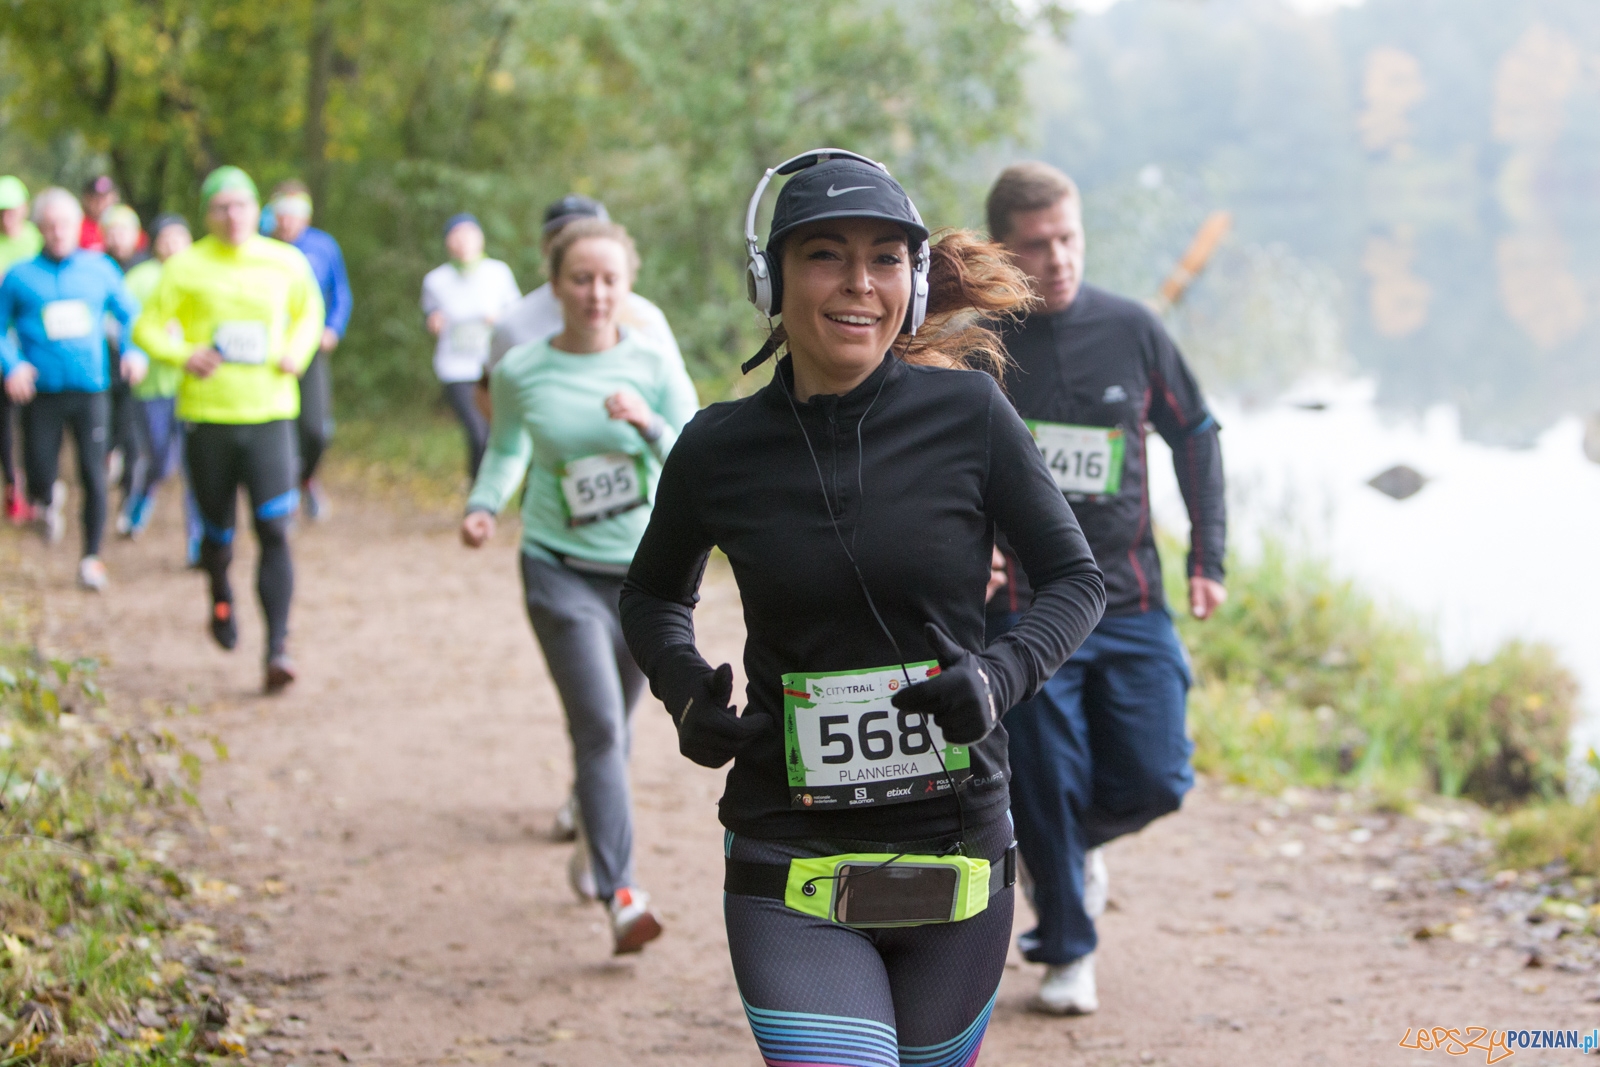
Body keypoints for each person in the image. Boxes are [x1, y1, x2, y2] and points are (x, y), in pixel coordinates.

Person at [619, 151, 1105, 1065]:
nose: (859, 284)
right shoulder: (717, 446)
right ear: (772, 278)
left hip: (955, 854)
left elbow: (1076, 582)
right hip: (787, 853)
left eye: (886, 258)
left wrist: (999, 677)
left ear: (913, 285)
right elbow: (650, 592)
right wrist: (686, 688)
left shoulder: (972, 415)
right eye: (825, 256)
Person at [982, 161, 1227, 1016]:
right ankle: (1065, 948)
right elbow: (936, 465)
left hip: (1129, 600)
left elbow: (1195, 433)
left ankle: (1061, 846)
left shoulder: (1132, 328)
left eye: (1069, 239)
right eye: (1037, 246)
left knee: (1161, 776)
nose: (1058, 258)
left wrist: (1209, 554)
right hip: (1029, 614)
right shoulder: (981, 347)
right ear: (1004, 253)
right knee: (1044, 776)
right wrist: (970, 547)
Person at [463, 217, 697, 950]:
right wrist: (481, 504)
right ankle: (623, 892)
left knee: (615, 730)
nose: (596, 294)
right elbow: (506, 452)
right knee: (599, 726)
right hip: (557, 568)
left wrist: (648, 421)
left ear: (627, 286)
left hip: (646, 577)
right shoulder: (522, 368)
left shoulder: (653, 360)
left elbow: (693, 454)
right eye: (580, 279)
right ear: (555, 284)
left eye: (609, 280)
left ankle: (595, 837)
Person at [132, 166, 325, 693]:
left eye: (242, 205)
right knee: (218, 534)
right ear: (207, 214)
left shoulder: (285, 261)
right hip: (208, 418)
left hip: (270, 415)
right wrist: (182, 352)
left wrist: (297, 352)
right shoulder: (185, 266)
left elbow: (311, 312)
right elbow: (145, 326)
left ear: (255, 209)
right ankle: (219, 594)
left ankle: (278, 647)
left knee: (275, 530)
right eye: (222, 207)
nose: (233, 215)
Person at [0, 187, 145, 591]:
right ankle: (47, 499)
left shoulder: (99, 269)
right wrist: (12, 365)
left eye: (65, 225)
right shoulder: (19, 276)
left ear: (77, 227)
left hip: (91, 390)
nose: (58, 233)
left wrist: (133, 351)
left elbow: (129, 312)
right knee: (40, 471)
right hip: (41, 392)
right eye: (50, 227)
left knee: (94, 474)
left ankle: (91, 558)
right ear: (40, 229)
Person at [269, 180, 352, 520]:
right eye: (282, 214)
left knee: (315, 428)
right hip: (271, 353)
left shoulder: (323, 246)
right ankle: (282, 495)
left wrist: (332, 329)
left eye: (295, 213)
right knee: (280, 426)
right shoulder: (262, 248)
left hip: (311, 349)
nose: (288, 220)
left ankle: (306, 480)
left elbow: (341, 293)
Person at [121, 214, 203, 553]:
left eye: (179, 237)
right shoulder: (140, 278)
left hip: (193, 386)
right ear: (153, 242)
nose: (172, 244)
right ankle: (143, 495)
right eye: (165, 238)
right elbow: (124, 323)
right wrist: (134, 352)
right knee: (160, 460)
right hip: (152, 385)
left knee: (196, 466)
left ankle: (199, 539)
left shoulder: (202, 272)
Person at [421, 214, 519, 478]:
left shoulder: (498, 273)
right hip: (455, 368)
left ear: (481, 238)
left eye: (469, 234)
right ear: (447, 242)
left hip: (493, 366)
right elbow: (429, 316)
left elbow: (517, 316)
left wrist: (499, 320)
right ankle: (479, 499)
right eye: (456, 235)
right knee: (477, 433)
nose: (462, 241)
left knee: (493, 433)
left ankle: (490, 492)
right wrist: (433, 322)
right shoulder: (435, 280)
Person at [101, 205, 150, 523]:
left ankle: (129, 500)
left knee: (133, 432)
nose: (118, 237)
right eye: (112, 231)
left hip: (136, 362)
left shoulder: (147, 268)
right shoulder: (94, 265)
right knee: (107, 427)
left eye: (124, 230)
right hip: (101, 363)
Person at [0, 175, 43, 523]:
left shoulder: (36, 240)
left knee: (34, 419)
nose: (5, 218)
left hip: (34, 344)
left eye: (11, 210)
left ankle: (36, 488)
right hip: (3, 344)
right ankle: (13, 486)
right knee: (4, 421)